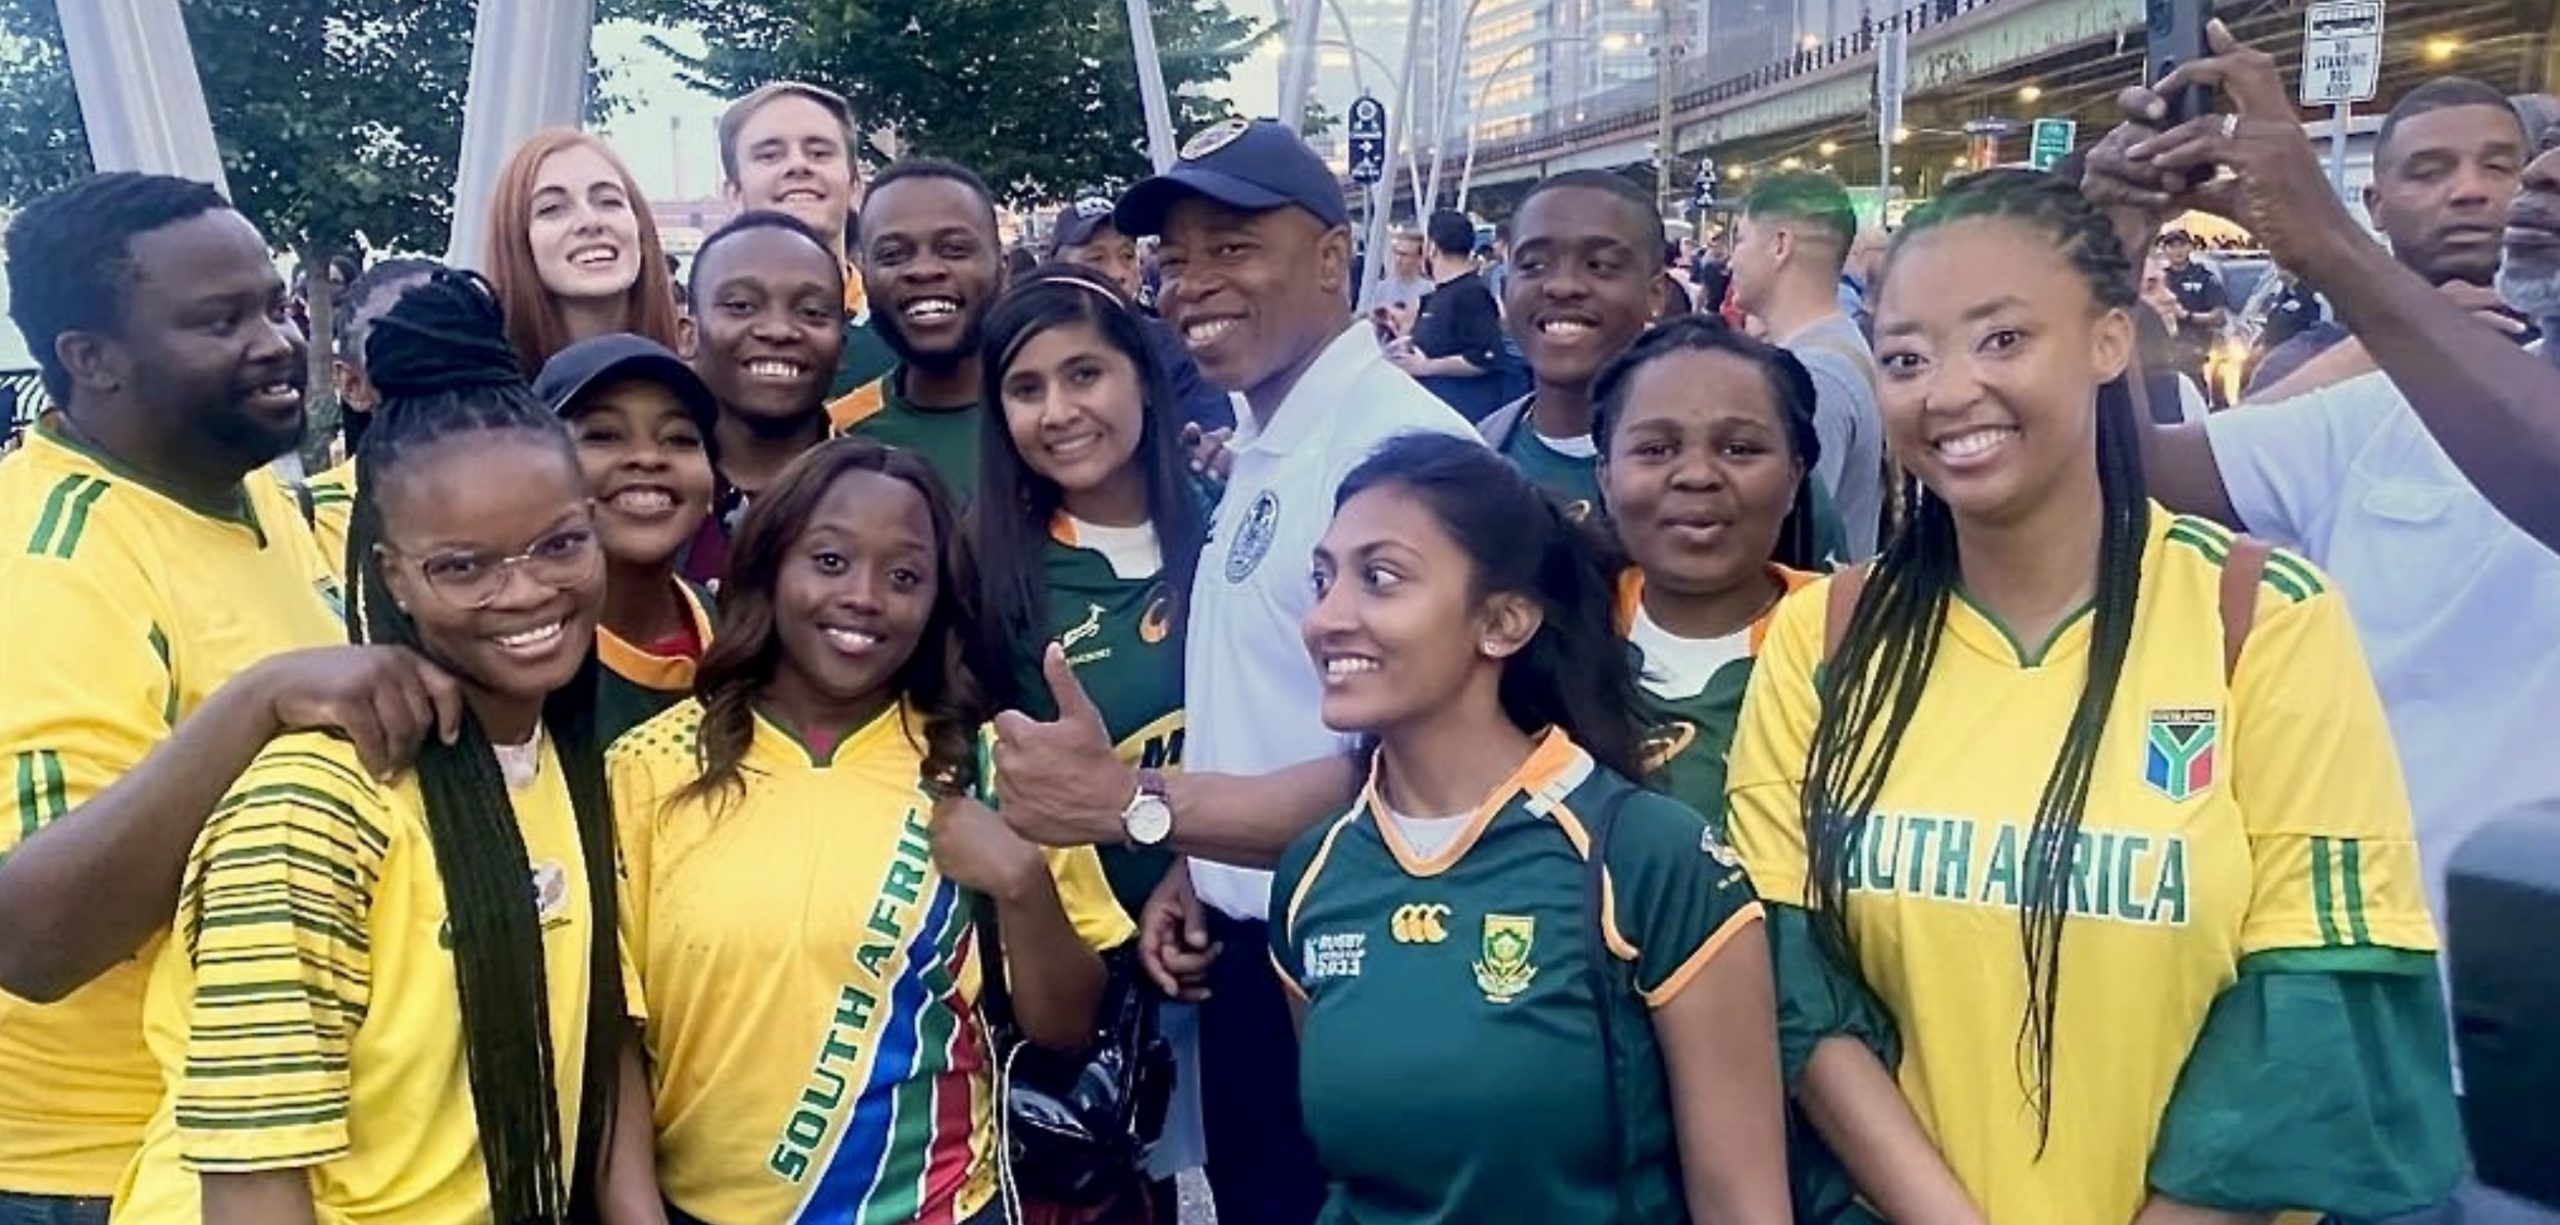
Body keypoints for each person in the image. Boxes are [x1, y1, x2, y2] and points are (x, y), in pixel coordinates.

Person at [1727, 168, 2461, 1224]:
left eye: (2002, 339)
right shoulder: (1825, 636)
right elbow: (1791, 973)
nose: (1947, 390)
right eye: (1904, 357)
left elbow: (2315, 994)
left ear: (2109, 342)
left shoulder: (2260, 618)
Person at [991, 118, 1479, 1225]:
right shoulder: (1275, 443)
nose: (1190, 282)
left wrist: (1135, 809)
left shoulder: (1394, 457)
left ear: (1329, 258)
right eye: (1174, 257)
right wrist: (1200, 869)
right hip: (1262, 963)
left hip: (1379, 968)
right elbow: (1279, 714)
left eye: (1231, 247)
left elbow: (1420, 775)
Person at [112, 270, 652, 1225]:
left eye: (560, 545)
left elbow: (597, 1035)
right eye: (462, 566)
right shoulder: (314, 808)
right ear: (389, 574)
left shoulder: (560, 761)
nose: (526, 593)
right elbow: (253, 1179)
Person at [0, 174, 460, 1223]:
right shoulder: (50, 566)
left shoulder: (241, 485)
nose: (275, 340)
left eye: (276, 306)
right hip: (92, 1170)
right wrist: (257, 701)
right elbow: (31, 936)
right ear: (90, 359)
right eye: (221, 320)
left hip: (253, 1130)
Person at [2084, 23, 2560, 964]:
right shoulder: (2374, 413)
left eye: (2506, 162)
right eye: (2434, 170)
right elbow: (2125, 471)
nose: (2491, 189)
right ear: (2382, 203)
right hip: (2389, 985)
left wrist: (2328, 243)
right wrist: (2104, 258)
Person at [1271, 433, 1790, 1224]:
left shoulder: (1648, 857)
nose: (1326, 618)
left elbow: (1742, 1202)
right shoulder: (1314, 875)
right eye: (1322, 579)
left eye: (1380, 578)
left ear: (1505, 621)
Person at [609, 438, 1129, 1225]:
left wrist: (1022, 884)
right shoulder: (646, 770)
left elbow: (1066, 1027)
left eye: (905, 576)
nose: (864, 596)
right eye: (828, 560)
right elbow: (614, 1042)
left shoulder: (995, 765)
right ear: (771, 566)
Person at [964, 266, 1213, 1212]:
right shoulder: (990, 570)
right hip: (1095, 985)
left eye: (1085, 375)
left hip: (1247, 938)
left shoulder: (1236, 522)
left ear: (1142, 376)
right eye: (1026, 389)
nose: (1059, 411)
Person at [1592, 317, 1825, 817]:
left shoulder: (1855, 639)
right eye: (1655, 450)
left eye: (1739, 449)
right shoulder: (1556, 636)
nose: (1697, 475)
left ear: (1793, 476)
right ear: (1606, 477)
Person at [2245, 77, 2530, 396]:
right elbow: (2239, 439)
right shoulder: (2305, 366)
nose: (2470, 190)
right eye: (2428, 172)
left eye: (2498, 167)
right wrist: (2392, 345)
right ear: (2376, 205)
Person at [534, 334, 722, 742]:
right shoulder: (523, 651)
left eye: (679, 438)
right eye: (603, 435)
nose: (648, 457)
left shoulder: (734, 632)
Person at [1477, 172, 1670, 523]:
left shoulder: (1718, 472)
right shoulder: (1475, 459)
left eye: (1600, 266)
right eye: (1534, 265)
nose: (1562, 286)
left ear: (1654, 294)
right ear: (1505, 290)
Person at [677, 210, 848, 588]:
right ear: (688, 335)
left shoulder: (882, 498)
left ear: (842, 348)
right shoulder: (648, 498)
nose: (778, 331)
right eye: (740, 306)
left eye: (812, 312)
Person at [715, 81, 900, 413]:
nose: (798, 166)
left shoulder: (905, 335)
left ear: (855, 187)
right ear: (733, 194)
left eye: (819, 153)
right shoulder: (703, 346)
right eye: (770, 155)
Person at [1729, 171, 1886, 559]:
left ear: (1780, 245)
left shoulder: (1814, 376)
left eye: (1740, 239)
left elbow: (1791, 540)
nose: (1732, 259)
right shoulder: (1840, 348)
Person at [840, 158, 1007, 503]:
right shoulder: (838, 435)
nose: (924, 270)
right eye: (892, 254)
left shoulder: (1064, 416)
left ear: (1002, 268)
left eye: (955, 249)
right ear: (865, 275)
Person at [484, 129, 683, 374]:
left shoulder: (701, 388)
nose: (589, 221)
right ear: (517, 240)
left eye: (609, 201)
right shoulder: (476, 399)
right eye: (552, 208)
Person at [1049, 197, 1235, 434]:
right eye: (1096, 259)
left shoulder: (1174, 345)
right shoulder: (1033, 349)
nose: (1118, 273)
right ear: (1056, 269)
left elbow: (1208, 435)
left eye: (1127, 256)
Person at [304, 256, 441, 571]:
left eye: (468, 346)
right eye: (407, 353)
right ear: (352, 384)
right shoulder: (307, 520)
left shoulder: (537, 490)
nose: (443, 370)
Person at [1389, 209, 1509, 421]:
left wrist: (1426, 367)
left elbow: (1486, 357)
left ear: (1432, 248)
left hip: (1462, 418)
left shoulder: (1471, 294)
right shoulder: (1439, 295)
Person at [2153, 229, 2228, 402]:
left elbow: (2219, 316)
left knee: (2194, 395)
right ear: (2164, 250)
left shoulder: (2205, 278)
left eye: (2182, 245)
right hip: (2161, 349)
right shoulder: (2159, 279)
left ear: (2190, 248)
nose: (2177, 251)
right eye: (2171, 246)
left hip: (2194, 347)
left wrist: (2187, 316)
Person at [1359, 230, 1434, 320]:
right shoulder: (1382, 288)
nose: (1398, 259)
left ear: (1419, 258)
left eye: (1404, 255)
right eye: (1396, 253)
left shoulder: (1429, 291)